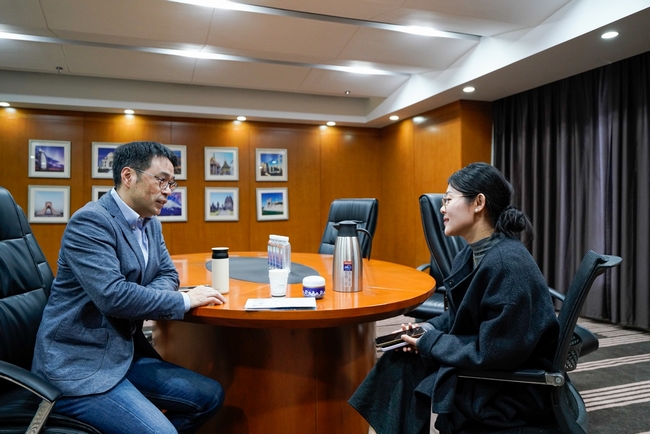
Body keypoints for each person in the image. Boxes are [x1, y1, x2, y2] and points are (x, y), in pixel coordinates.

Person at [349, 162, 560, 434]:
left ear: (478, 203)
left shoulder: (507, 265)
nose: (442, 208)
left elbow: (493, 353)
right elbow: (461, 314)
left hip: (510, 390)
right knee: (401, 356)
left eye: (448, 199)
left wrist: (430, 342)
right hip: (493, 368)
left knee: (408, 364)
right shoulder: (471, 254)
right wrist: (426, 329)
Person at [32, 141, 227, 434]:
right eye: (161, 180)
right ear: (128, 176)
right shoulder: (91, 222)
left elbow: (167, 273)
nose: (168, 191)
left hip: (123, 355)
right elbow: (113, 296)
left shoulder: (151, 222)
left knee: (209, 396)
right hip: (78, 367)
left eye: (171, 183)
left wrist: (146, 294)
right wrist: (184, 300)